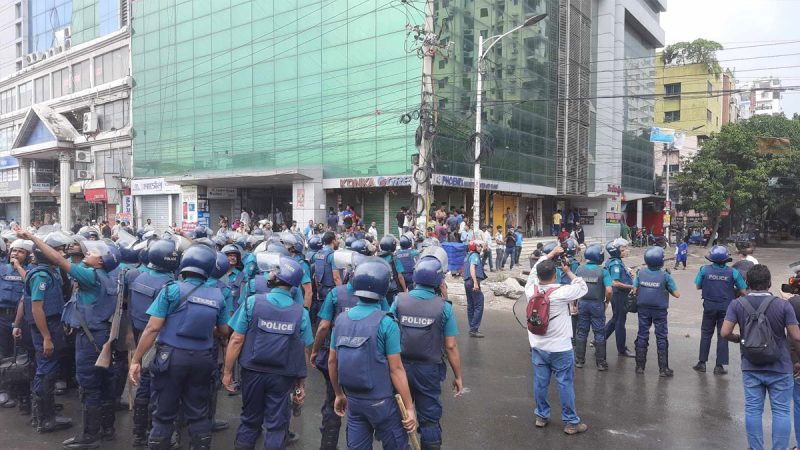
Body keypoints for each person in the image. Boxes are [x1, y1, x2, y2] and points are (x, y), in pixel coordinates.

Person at [15, 228, 119, 449]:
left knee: (89, 386)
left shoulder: (90, 276)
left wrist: (33, 238)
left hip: (89, 339)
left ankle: (90, 436)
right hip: (105, 336)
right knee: (106, 383)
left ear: (100, 261)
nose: (85, 255)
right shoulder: (112, 275)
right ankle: (107, 428)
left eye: (91, 254)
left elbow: (56, 259)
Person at [128, 244, 228, 450]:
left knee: (163, 414)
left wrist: (137, 360)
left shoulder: (171, 290)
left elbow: (152, 328)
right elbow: (224, 331)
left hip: (170, 359)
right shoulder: (218, 296)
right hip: (202, 359)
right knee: (199, 413)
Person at [223, 256, 313, 450]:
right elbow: (302, 351)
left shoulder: (252, 302)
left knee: (249, 421)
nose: (269, 273)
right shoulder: (301, 313)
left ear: (279, 277)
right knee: (276, 426)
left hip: (252, 372)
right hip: (283, 376)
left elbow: (236, 340)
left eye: (274, 271)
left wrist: (227, 373)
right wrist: (300, 385)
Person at [328, 258, 417, 449]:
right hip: (382, 404)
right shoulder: (387, 323)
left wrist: (338, 394)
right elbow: (396, 369)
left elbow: (332, 361)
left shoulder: (341, 321)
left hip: (354, 403)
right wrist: (409, 407)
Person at [311, 256, 390, 450]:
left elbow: (323, 326)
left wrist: (314, 351)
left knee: (333, 403)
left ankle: (328, 446)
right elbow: (387, 321)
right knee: (361, 407)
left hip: (339, 358)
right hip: (369, 359)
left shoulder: (336, 293)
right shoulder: (378, 295)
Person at [721, 265, 800, 450]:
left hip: (751, 366)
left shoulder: (737, 304)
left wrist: (741, 340)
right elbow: (796, 336)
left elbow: (725, 332)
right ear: (770, 283)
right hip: (780, 366)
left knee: (753, 411)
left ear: (747, 283)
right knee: (781, 412)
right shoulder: (783, 305)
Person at [391, 256, 464, 448]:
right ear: (439, 281)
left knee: (400, 417)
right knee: (430, 418)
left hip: (399, 368)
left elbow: (387, 331)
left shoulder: (399, 301)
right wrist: (458, 376)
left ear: (415, 278)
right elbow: (450, 346)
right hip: (429, 370)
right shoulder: (444, 308)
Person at [15, 235, 73, 433]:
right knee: (46, 372)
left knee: (47, 370)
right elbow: (37, 307)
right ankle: (46, 419)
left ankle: (42, 414)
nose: (60, 254)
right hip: (45, 327)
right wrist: (47, 337)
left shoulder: (49, 271)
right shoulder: (42, 275)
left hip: (52, 324)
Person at [526, 257, 589, 435]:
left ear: (538, 275)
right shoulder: (562, 292)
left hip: (538, 345)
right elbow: (582, 287)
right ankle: (571, 422)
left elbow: (532, 274)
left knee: (540, 383)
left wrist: (548, 255)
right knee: (565, 384)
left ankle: (541, 416)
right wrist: (568, 271)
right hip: (560, 348)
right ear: (555, 275)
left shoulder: (531, 290)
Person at [126, 239, 179, 447]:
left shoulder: (138, 277)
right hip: (161, 340)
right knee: (161, 387)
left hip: (142, 337)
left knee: (144, 384)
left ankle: (138, 433)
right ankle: (155, 432)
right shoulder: (169, 285)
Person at [693, 245, 747, 375]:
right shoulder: (733, 272)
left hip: (709, 307)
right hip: (726, 308)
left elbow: (698, 286)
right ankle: (719, 366)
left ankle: (702, 363)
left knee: (706, 333)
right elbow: (744, 291)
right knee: (723, 335)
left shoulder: (704, 270)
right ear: (725, 259)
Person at [632, 247, 680, 377]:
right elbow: (677, 294)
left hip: (643, 310)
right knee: (661, 337)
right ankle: (663, 369)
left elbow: (634, 290)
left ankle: (640, 367)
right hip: (659, 311)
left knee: (642, 335)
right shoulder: (665, 276)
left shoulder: (640, 273)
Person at [573, 244, 612, 371]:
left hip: (582, 303)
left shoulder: (579, 269)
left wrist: (574, 304)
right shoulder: (603, 271)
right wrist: (607, 301)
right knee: (599, 333)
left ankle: (579, 360)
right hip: (597, 305)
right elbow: (609, 290)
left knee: (581, 332)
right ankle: (601, 363)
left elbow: (574, 288)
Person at [603, 238, 636, 358]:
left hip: (619, 295)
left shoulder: (616, 261)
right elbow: (615, 283)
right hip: (619, 295)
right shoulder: (615, 263)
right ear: (616, 252)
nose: (626, 251)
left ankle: (599, 340)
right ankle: (622, 349)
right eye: (623, 250)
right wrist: (632, 286)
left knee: (615, 319)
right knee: (620, 322)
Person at [313, 232, 342, 324]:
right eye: (337, 240)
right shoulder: (332, 256)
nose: (337, 242)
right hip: (331, 291)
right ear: (333, 241)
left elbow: (316, 275)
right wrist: (341, 293)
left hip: (321, 290)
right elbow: (336, 277)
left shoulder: (318, 254)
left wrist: (318, 290)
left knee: (323, 317)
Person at [464, 240, 487, 338]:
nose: (480, 247)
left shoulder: (468, 255)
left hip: (467, 282)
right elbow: (472, 268)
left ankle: (472, 327)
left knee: (471, 306)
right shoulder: (474, 256)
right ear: (474, 247)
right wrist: (475, 282)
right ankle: (474, 329)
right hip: (473, 282)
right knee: (479, 304)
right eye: (479, 246)